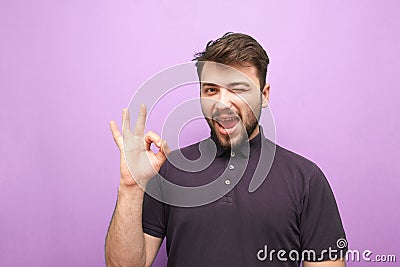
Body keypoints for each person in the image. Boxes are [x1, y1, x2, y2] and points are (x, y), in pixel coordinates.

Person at [105, 32, 347, 266]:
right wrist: (131, 186)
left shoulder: (306, 179)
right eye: (211, 90)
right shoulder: (169, 171)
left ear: (264, 95)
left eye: (238, 89)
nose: (222, 104)